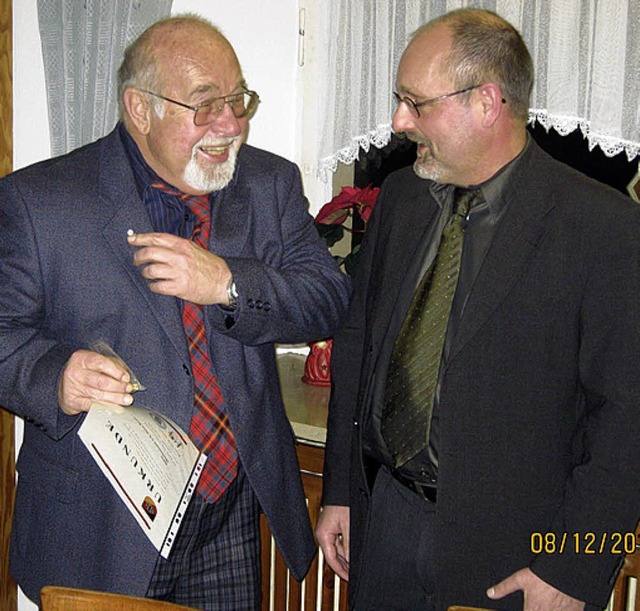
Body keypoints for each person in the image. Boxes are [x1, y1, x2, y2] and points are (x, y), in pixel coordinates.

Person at [0, 14, 351, 610]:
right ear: (140, 109)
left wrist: (228, 283)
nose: (231, 124)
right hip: (99, 526)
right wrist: (56, 375)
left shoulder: (269, 183)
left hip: (227, 514)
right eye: (205, 104)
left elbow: (328, 300)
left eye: (238, 99)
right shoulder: (39, 201)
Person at [316, 8, 640, 611]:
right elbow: (357, 348)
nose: (398, 121)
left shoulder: (604, 227)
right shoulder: (402, 198)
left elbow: (630, 420)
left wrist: (577, 569)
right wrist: (341, 490)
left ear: (488, 102)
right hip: (385, 522)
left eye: (416, 103)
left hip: (519, 556)